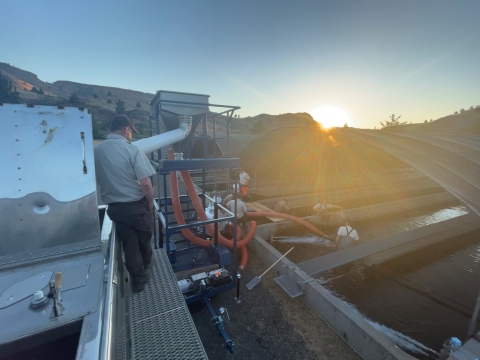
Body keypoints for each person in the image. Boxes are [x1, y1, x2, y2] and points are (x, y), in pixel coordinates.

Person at [94, 114, 156, 293]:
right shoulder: (132, 150)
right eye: (131, 132)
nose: (131, 136)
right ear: (126, 129)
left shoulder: (97, 151)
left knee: (130, 244)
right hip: (136, 207)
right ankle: (146, 269)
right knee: (144, 241)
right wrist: (150, 203)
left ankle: (138, 281)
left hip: (115, 209)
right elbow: (145, 183)